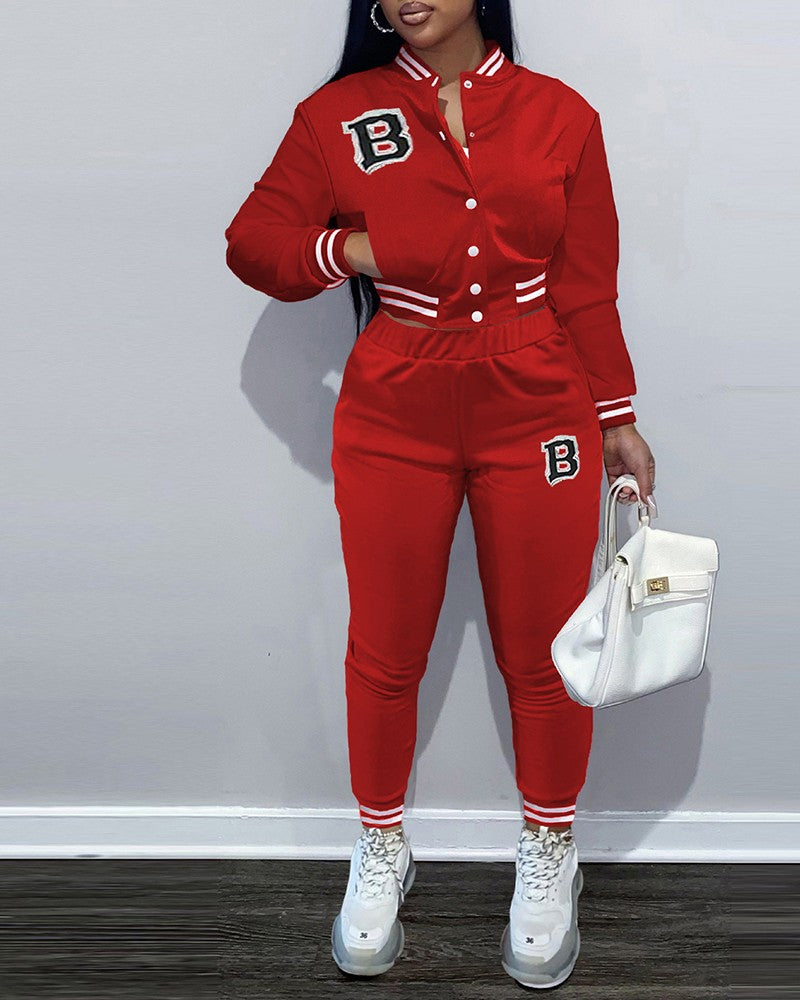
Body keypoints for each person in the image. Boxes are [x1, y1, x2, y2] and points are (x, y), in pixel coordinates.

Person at [224, 0, 656, 989]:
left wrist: (615, 416)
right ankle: (380, 843)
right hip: (394, 406)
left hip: (536, 402)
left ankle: (549, 845)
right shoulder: (339, 114)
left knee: (546, 645)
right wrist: (355, 250)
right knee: (384, 647)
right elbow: (255, 241)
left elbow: (585, 284)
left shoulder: (560, 115)